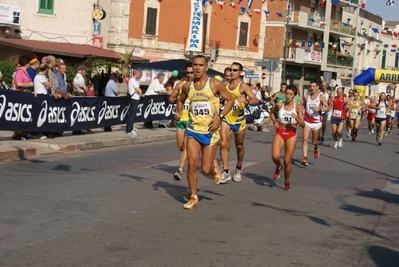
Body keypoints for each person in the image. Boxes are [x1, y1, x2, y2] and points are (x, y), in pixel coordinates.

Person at [175, 55, 234, 210]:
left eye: (201, 65)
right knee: (192, 164)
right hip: (193, 130)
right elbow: (180, 100)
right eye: (195, 65)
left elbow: (230, 100)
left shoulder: (214, 84)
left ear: (207, 67)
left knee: (205, 169)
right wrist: (179, 112)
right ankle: (193, 197)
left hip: (210, 131)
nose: (197, 68)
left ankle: (213, 167)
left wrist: (220, 117)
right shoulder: (188, 86)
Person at [219, 62, 261, 183]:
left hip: (239, 120)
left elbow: (255, 100)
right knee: (223, 143)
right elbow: (219, 98)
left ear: (240, 72)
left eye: (235, 70)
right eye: (231, 70)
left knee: (239, 145)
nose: (232, 72)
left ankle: (238, 167)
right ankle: (226, 171)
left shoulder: (243, 87)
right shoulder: (225, 84)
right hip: (227, 118)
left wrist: (246, 101)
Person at [269, 85, 305, 191]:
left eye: (291, 94)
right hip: (280, 131)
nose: (288, 96)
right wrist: (275, 121)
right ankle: (278, 167)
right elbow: (271, 113)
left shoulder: (298, 107)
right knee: (275, 156)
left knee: (287, 161)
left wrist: (297, 118)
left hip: (291, 133)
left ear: (294, 96)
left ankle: (286, 181)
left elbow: (303, 125)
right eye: (287, 94)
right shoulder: (279, 105)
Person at [168, 63, 194, 180]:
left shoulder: (199, 86)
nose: (189, 75)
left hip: (192, 120)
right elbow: (171, 98)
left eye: (191, 72)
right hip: (180, 119)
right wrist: (176, 106)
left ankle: (180, 169)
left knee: (186, 146)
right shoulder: (180, 85)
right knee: (180, 146)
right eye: (187, 72)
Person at [301, 81, 329, 166]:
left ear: (317, 87)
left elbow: (328, 108)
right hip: (307, 120)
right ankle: (305, 157)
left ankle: (316, 147)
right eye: (311, 86)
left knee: (314, 141)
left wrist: (320, 110)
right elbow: (303, 106)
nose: (312, 88)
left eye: (313, 86)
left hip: (316, 122)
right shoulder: (307, 97)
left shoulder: (321, 97)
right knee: (305, 139)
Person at [12, 56, 34, 140]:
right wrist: (29, 84)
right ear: (26, 63)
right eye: (29, 63)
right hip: (20, 96)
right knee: (21, 114)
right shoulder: (20, 72)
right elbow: (19, 83)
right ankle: (19, 133)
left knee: (23, 114)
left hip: (25, 95)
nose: (29, 64)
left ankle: (19, 133)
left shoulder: (25, 72)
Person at [126, 69, 144, 136]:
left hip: (136, 98)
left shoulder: (136, 81)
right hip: (134, 99)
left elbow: (138, 91)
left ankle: (130, 127)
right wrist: (139, 91)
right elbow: (140, 91)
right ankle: (130, 130)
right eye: (140, 74)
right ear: (137, 74)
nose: (140, 76)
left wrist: (138, 91)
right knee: (132, 115)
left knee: (132, 115)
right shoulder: (133, 80)